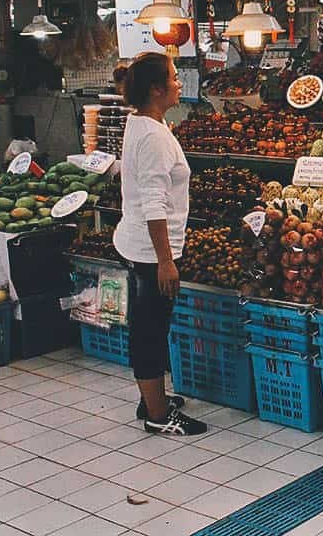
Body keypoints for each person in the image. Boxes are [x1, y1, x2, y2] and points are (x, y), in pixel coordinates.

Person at [112, 53, 206, 436]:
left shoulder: (143, 123)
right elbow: (154, 203)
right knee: (149, 331)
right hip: (150, 251)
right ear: (156, 90)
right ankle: (157, 415)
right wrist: (166, 260)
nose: (179, 83)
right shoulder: (152, 136)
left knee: (148, 326)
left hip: (137, 243)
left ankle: (152, 396)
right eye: (173, 78)